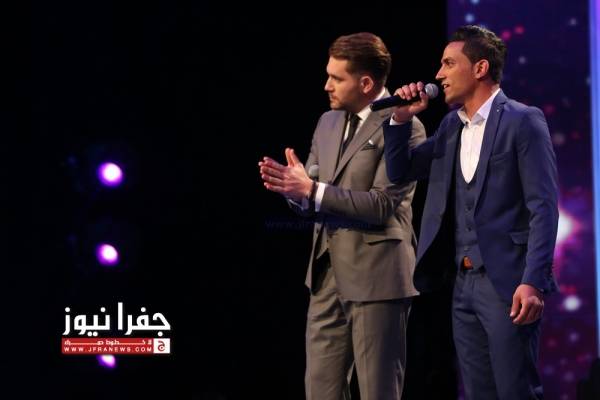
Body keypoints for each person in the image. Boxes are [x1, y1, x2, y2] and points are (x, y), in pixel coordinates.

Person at [382, 25, 558, 399]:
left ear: (480, 68)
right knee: (478, 392)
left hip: (508, 284)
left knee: (515, 390)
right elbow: (401, 171)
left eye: (449, 63)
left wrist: (533, 281)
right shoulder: (451, 127)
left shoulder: (523, 120)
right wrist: (400, 119)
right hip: (462, 284)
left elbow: (543, 208)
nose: (439, 74)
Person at [258, 32, 425, 400]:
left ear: (365, 83)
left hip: (377, 277)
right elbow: (311, 190)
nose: (326, 86)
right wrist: (294, 191)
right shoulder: (328, 122)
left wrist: (311, 190)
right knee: (320, 391)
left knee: (378, 391)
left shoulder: (405, 125)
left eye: (336, 78)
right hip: (325, 275)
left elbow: (381, 205)